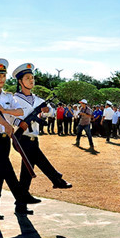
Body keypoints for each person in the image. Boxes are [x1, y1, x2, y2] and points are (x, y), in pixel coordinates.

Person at [0, 59, 41, 220]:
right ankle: (21, 196)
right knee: (7, 169)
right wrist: (6, 122)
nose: (1, 79)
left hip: (5, 139)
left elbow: (18, 110)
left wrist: (7, 112)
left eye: (3, 75)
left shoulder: (8, 96)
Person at [11, 63, 72, 215]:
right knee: (38, 162)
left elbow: (50, 113)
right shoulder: (14, 99)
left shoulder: (37, 99)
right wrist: (22, 124)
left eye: (32, 78)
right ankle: (56, 179)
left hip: (33, 138)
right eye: (27, 78)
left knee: (27, 172)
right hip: (22, 138)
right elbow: (10, 117)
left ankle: (21, 204)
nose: (31, 81)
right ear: (20, 81)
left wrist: (46, 110)